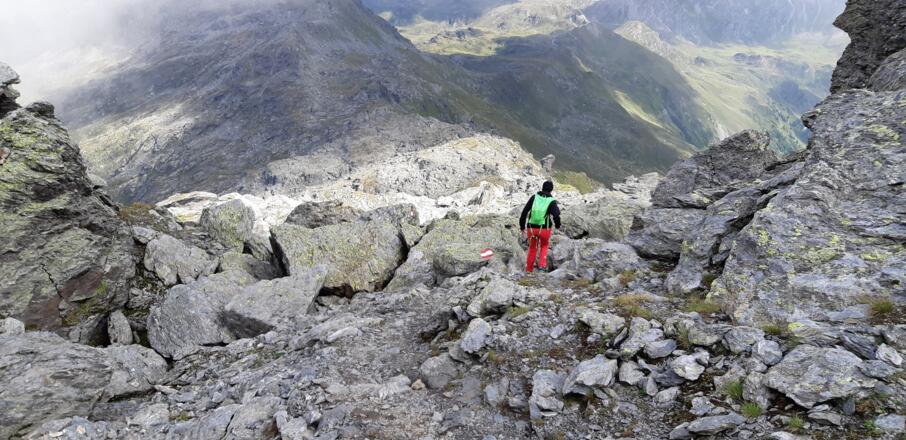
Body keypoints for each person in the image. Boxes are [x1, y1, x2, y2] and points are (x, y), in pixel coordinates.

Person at [519, 181, 561, 272]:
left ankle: (528, 270)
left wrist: (522, 227)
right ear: (551, 190)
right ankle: (542, 267)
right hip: (544, 229)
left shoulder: (534, 197)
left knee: (532, 248)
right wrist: (558, 225)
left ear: (542, 188)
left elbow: (524, 212)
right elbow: (556, 215)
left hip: (531, 229)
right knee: (544, 245)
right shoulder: (551, 201)